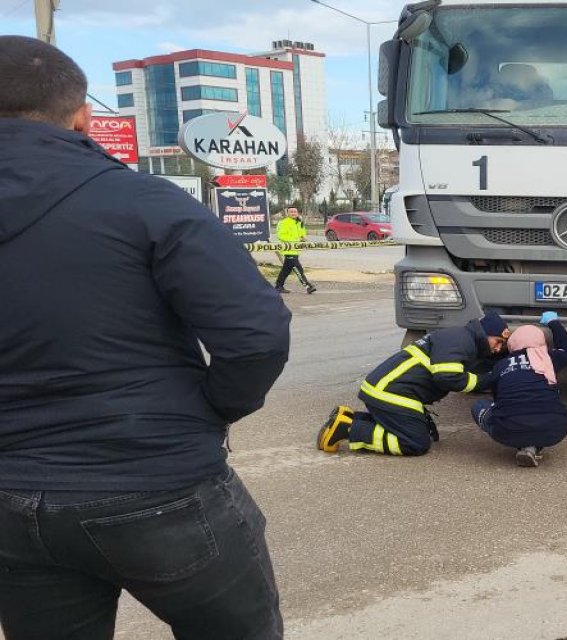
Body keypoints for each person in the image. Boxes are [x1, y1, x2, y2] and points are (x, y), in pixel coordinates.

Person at [0, 36, 292, 639]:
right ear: (82, 116)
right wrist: (212, 408)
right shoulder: (145, 202)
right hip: (157, 485)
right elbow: (255, 332)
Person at [318, 311, 510, 457]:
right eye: (498, 342)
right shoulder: (461, 340)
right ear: (485, 333)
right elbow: (447, 377)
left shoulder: (461, 337)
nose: (498, 348)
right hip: (391, 394)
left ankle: (350, 418)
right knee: (415, 443)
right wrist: (486, 380)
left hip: (387, 390)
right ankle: (349, 429)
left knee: (413, 429)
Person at [472, 312, 567, 467]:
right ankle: (531, 447)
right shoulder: (549, 359)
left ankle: (524, 442)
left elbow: (499, 401)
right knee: (546, 409)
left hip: (508, 431)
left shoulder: (501, 365)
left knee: (478, 406)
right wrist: (554, 322)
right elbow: (565, 346)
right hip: (556, 428)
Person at [274, 206, 316, 294]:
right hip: (288, 250)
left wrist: (304, 238)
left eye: (295, 211)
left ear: (298, 213)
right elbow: (281, 235)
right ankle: (308, 286)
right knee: (298, 268)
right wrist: (295, 240)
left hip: (296, 249)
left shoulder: (299, 222)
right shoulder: (283, 222)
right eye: (291, 212)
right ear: (287, 213)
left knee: (286, 270)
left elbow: (302, 233)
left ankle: (278, 286)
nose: (293, 213)